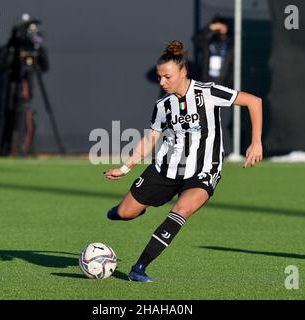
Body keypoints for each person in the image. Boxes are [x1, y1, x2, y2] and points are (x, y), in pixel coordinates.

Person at [104, 40, 263, 282]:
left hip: (203, 170)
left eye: (167, 77)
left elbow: (254, 102)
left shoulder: (207, 92)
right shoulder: (163, 106)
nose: (162, 82)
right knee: (125, 213)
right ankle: (126, 210)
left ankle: (139, 268)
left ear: (183, 72)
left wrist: (256, 141)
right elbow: (150, 139)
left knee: (181, 210)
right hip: (165, 169)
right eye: (159, 77)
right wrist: (126, 168)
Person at [0, 13, 49, 156]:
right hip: (12, 89)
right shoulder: (12, 48)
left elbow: (44, 66)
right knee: (9, 117)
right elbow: (0, 66)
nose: (30, 33)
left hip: (27, 91)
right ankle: (6, 149)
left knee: (26, 114)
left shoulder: (35, 45)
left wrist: (38, 48)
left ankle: (26, 148)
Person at [192, 14, 235, 154]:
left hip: (223, 85)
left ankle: (226, 151)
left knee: (223, 120)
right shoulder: (209, 42)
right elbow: (196, 39)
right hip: (206, 84)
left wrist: (228, 84)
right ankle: (204, 150)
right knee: (203, 118)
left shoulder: (232, 43)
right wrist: (211, 28)